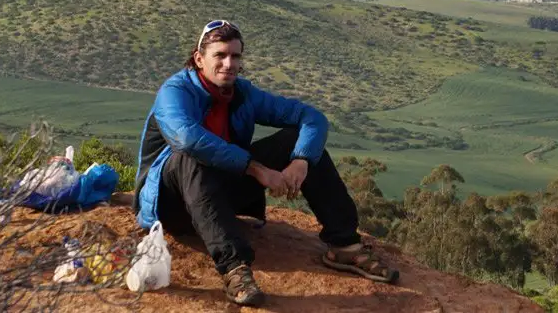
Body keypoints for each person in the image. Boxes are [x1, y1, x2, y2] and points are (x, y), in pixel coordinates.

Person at [133, 19, 398, 306]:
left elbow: (312, 118)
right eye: (219, 55)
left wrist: (301, 161)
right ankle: (234, 267)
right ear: (199, 59)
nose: (228, 63)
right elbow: (187, 138)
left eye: (235, 56)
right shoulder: (176, 91)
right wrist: (256, 168)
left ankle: (344, 244)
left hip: (217, 194)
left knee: (296, 139)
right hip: (172, 203)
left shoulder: (242, 93)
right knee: (190, 157)